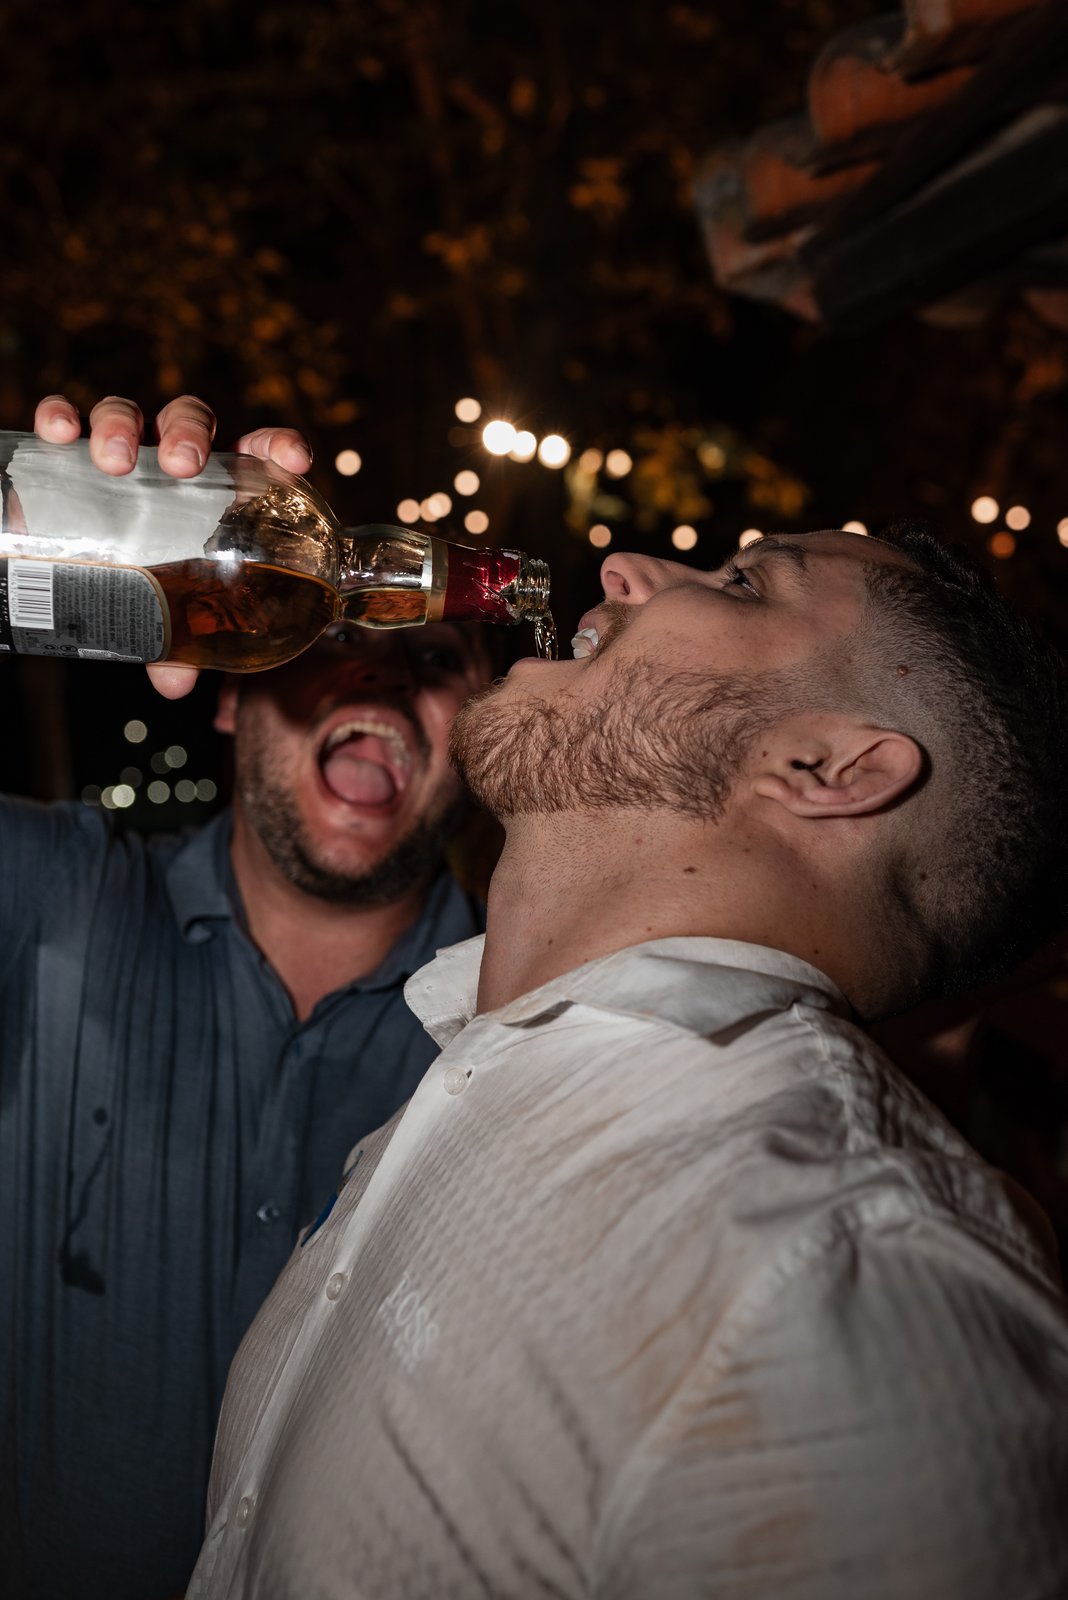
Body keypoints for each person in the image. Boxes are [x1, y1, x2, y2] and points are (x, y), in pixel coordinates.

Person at [192, 525, 1068, 1598]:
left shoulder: (849, 1274)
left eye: (743, 583)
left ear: (828, 767)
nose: (622, 571)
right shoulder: (485, 1074)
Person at [0, 395, 494, 1600]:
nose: (381, 667)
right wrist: (48, 515)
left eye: (435, 658)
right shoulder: (53, 897)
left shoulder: (520, 1035)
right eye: (336, 631)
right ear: (228, 683)